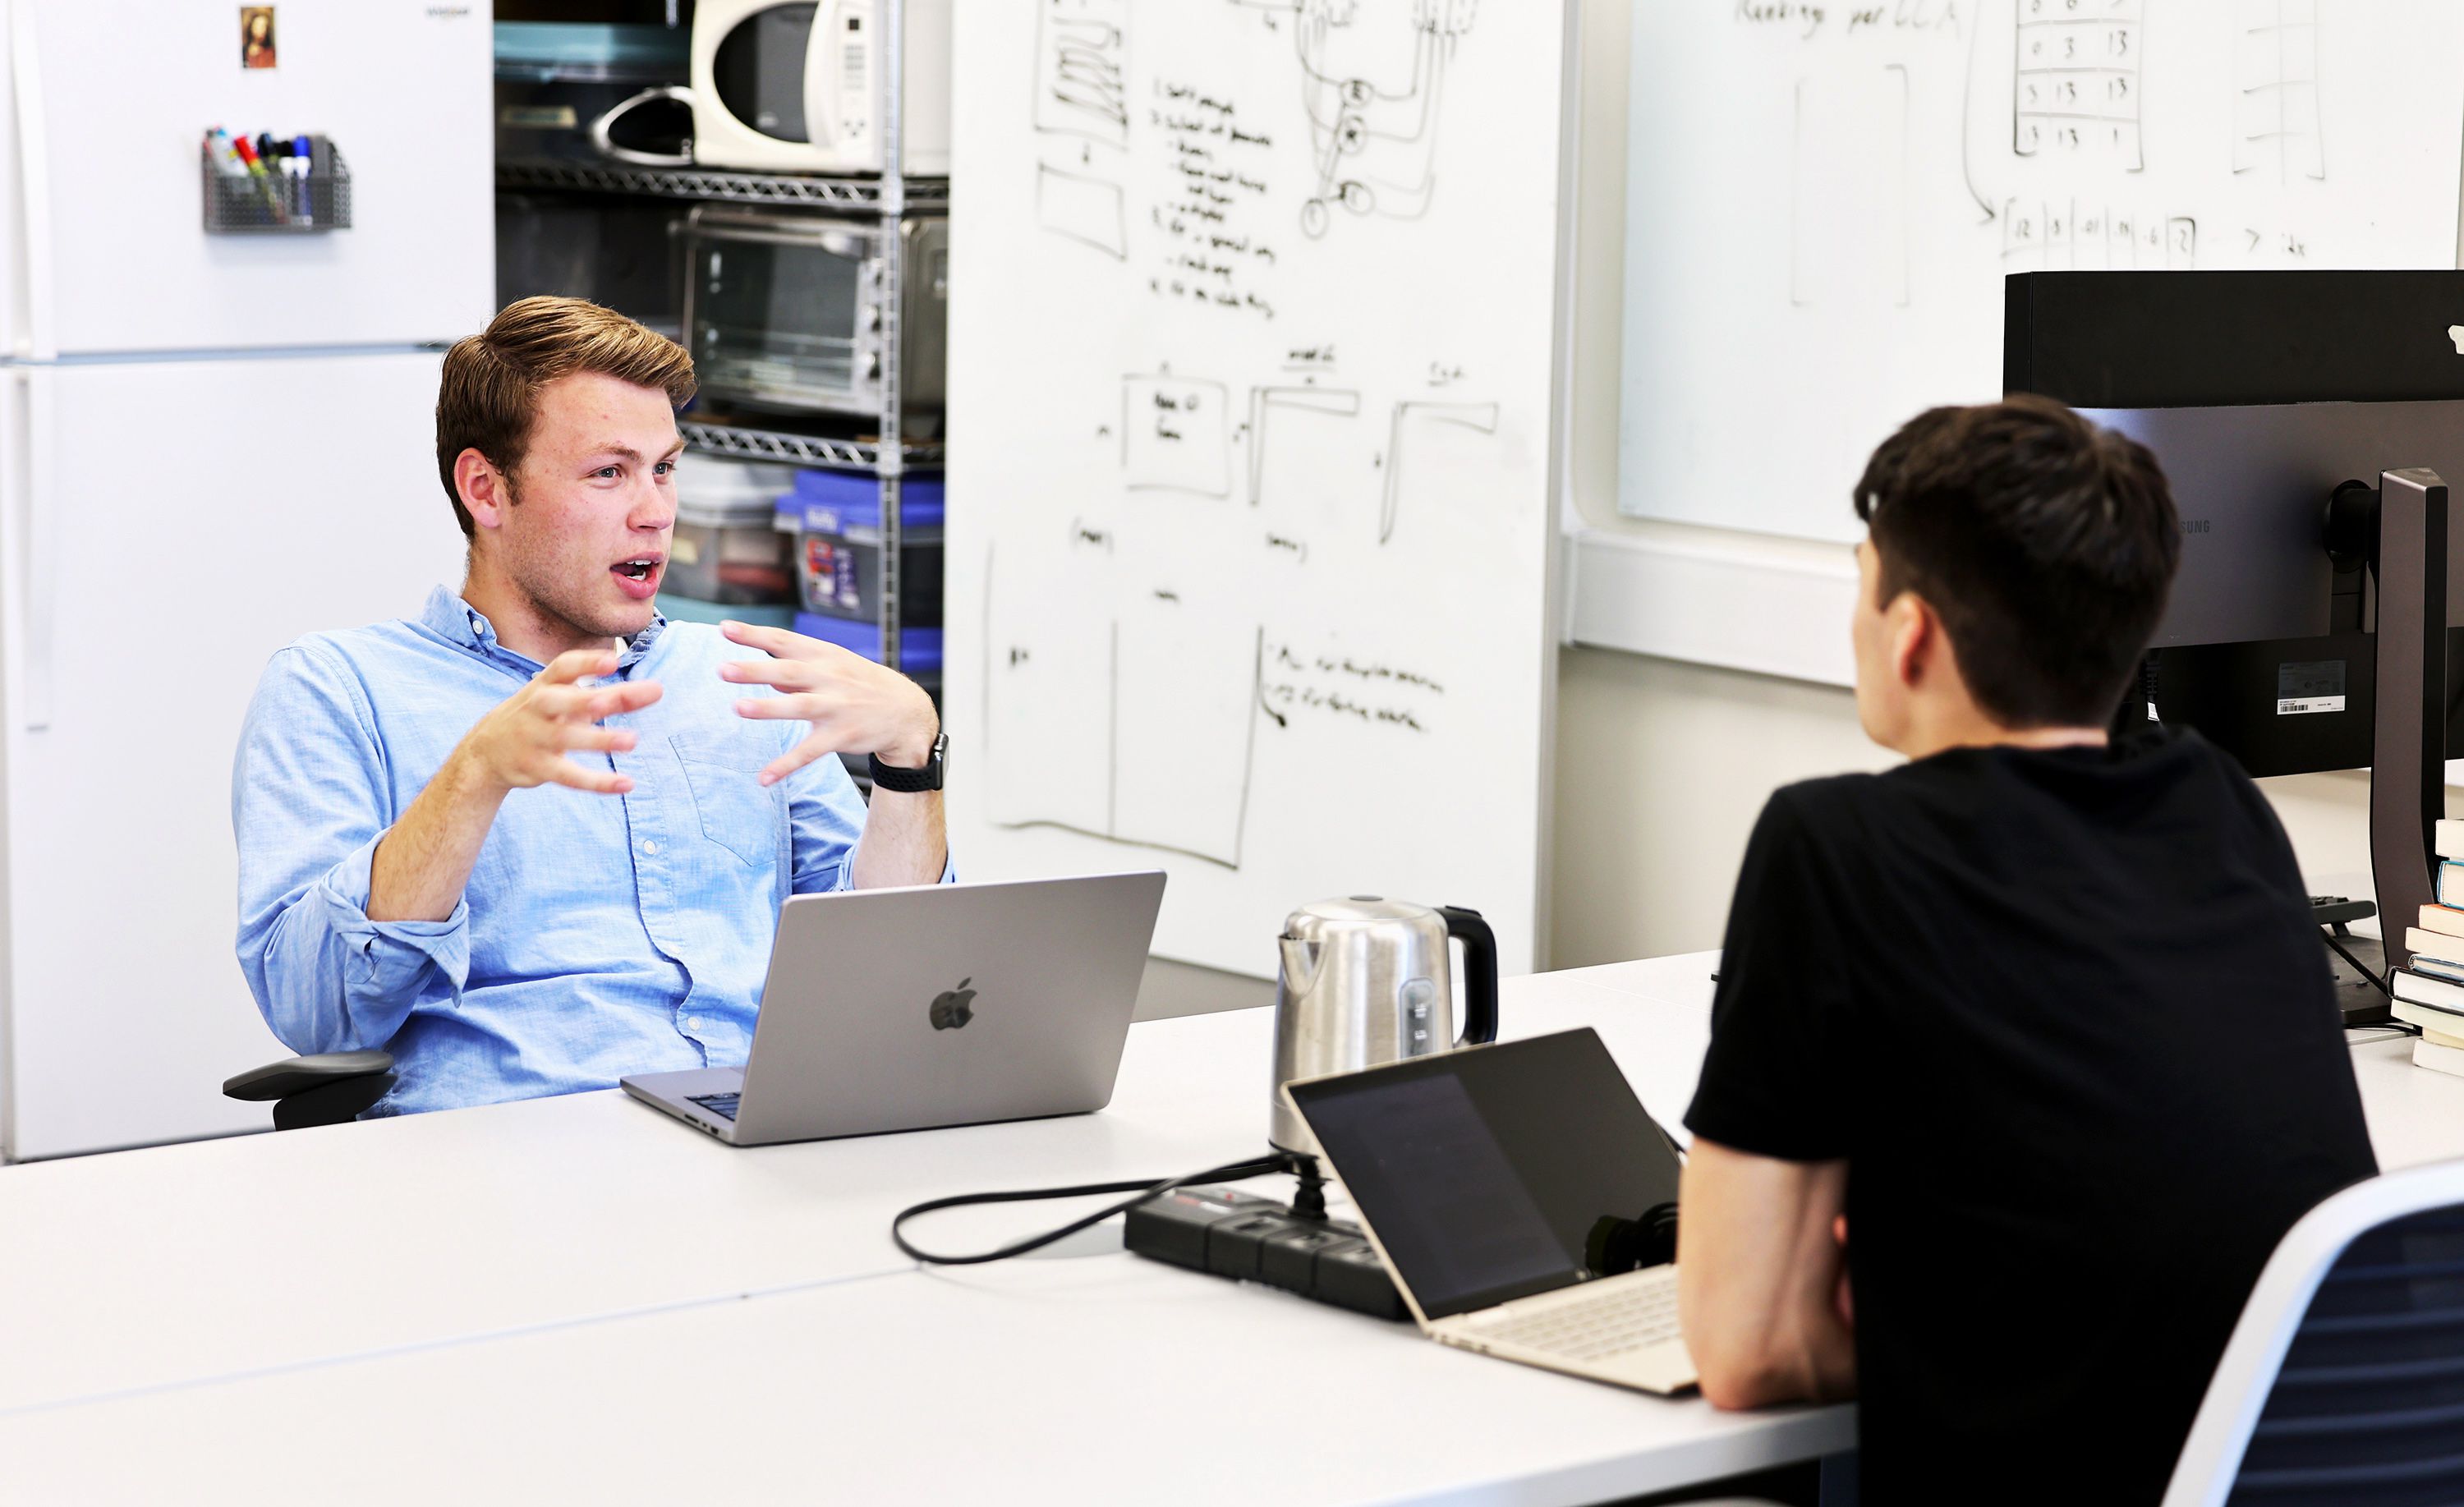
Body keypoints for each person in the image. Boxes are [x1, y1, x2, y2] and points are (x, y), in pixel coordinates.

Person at [1674, 397, 2376, 1502]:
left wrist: (1940, 1319)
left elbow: (1748, 1346)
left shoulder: (1833, 846)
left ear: (1910, 632)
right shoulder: (2222, 803)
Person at [233, 297, 949, 1115]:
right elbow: (316, 1015)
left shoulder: (740, 676)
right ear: (486, 489)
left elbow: (887, 977)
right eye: (609, 472)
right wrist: (473, 777)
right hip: (517, 1153)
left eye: (664, 468)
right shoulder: (337, 687)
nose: (655, 512)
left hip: (767, 1127)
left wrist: (909, 761)